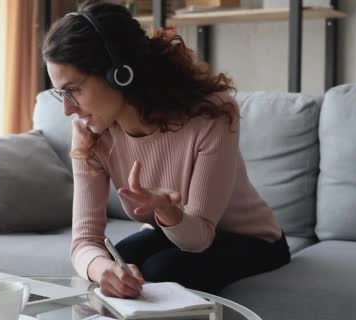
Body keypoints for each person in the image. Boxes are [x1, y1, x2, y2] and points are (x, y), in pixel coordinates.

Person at [42, 1, 290, 299]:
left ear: (119, 73)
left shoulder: (210, 114)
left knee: (161, 272)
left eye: (74, 90)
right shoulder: (89, 131)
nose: (68, 109)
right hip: (173, 234)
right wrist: (102, 270)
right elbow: (84, 242)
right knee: (119, 265)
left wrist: (167, 210)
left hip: (251, 240)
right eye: (61, 94)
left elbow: (198, 239)